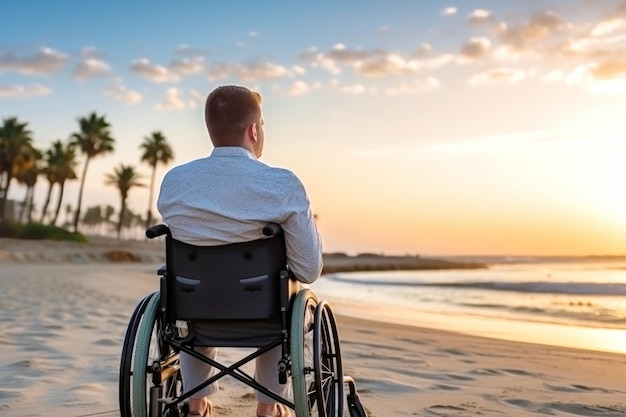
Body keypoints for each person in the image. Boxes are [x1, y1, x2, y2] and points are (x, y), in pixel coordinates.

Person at [157, 85, 323, 417]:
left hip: (196, 305)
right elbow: (308, 269)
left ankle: (195, 404)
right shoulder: (282, 184)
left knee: (197, 291)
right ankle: (269, 406)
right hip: (263, 311)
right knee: (283, 293)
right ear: (254, 129)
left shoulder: (175, 182)